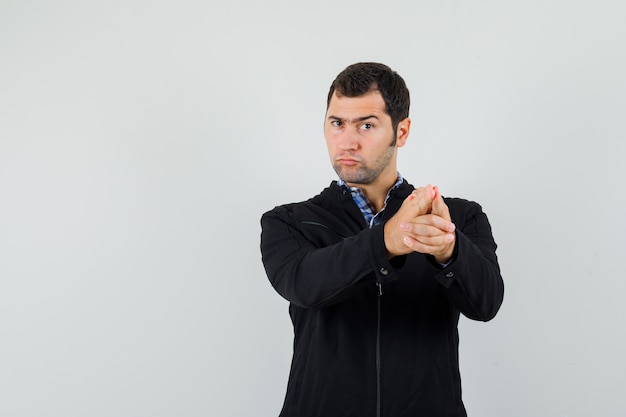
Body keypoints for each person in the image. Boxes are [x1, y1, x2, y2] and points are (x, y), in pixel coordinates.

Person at [260, 62, 504, 417]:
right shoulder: (290, 221)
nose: (347, 140)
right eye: (337, 123)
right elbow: (304, 284)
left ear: (401, 132)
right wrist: (387, 241)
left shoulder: (456, 218)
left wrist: (450, 251)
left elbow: (486, 304)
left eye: (367, 125)